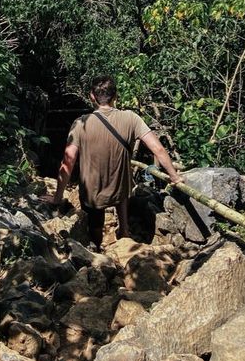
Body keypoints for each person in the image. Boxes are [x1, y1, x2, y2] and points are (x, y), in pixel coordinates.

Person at [41, 75, 182, 250]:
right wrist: (175, 177)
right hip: (121, 187)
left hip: (93, 193)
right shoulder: (131, 118)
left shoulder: (80, 123)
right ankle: (124, 230)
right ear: (116, 96)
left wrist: (57, 197)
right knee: (121, 186)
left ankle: (98, 247)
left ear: (92, 96)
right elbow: (159, 149)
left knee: (95, 222)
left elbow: (68, 162)